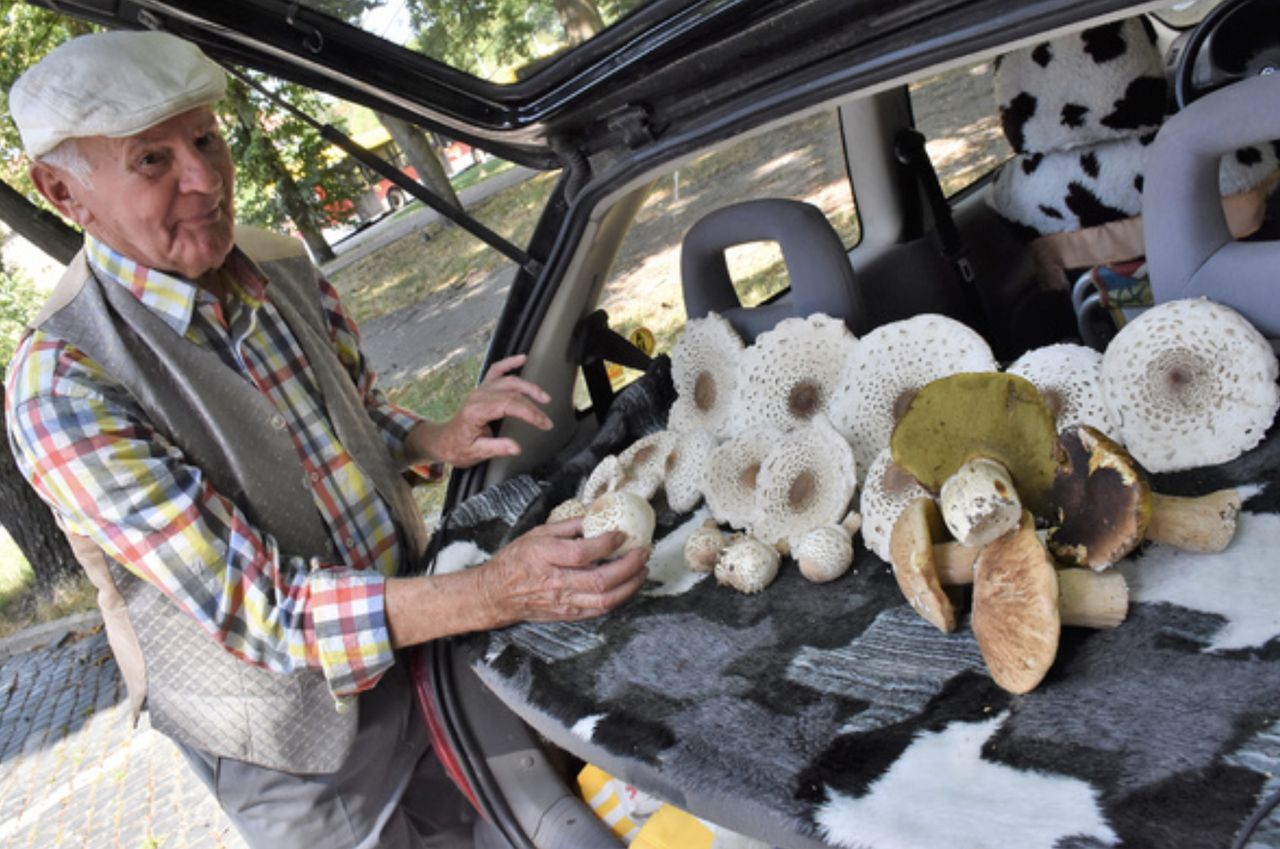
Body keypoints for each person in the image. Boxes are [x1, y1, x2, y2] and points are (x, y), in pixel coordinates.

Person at [4, 29, 650, 849]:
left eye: (204, 138)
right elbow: (261, 608)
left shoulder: (280, 263)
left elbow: (351, 418)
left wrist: (435, 436)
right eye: (152, 161)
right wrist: (495, 592)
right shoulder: (64, 382)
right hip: (299, 753)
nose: (204, 178)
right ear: (63, 193)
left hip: (431, 648)